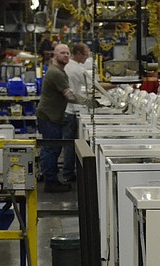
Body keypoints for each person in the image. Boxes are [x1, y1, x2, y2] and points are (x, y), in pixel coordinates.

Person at [36, 43, 85, 193]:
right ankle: (51, 182)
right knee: (52, 148)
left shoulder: (58, 71)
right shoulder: (56, 73)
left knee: (51, 148)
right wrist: (88, 102)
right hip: (49, 116)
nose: (65, 55)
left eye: (67, 53)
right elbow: (69, 95)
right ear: (55, 55)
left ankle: (50, 178)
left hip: (51, 116)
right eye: (62, 53)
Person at [61, 42, 91, 183]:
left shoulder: (68, 66)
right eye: (86, 54)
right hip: (71, 110)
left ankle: (68, 172)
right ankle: (68, 174)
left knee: (69, 144)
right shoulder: (76, 69)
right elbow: (93, 85)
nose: (87, 57)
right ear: (78, 54)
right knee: (70, 144)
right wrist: (116, 83)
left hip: (67, 109)